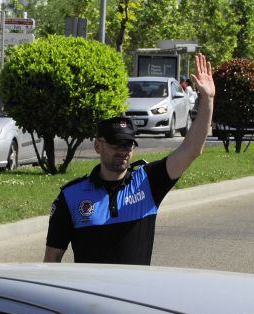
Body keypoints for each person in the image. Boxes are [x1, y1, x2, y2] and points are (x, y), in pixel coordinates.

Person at [43, 52, 215, 265]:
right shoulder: (71, 196)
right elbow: (52, 260)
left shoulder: (148, 182)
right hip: (91, 297)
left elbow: (191, 149)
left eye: (128, 145)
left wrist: (207, 99)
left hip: (132, 296)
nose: (123, 151)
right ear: (98, 145)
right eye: (116, 144)